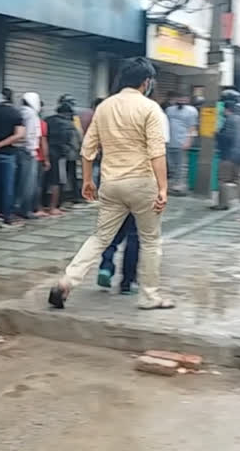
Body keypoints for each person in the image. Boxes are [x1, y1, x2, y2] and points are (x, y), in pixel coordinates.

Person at [49, 57, 173, 311]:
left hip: (111, 183)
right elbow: (157, 151)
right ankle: (149, 296)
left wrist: (87, 180)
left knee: (100, 238)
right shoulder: (150, 109)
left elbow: (88, 148)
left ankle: (66, 282)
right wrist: (162, 187)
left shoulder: (104, 107)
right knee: (149, 240)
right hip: (142, 183)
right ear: (146, 82)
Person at [0, 88, 25, 226]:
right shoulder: (15, 113)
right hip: (8, 153)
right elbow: (19, 134)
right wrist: (2, 144)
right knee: (8, 186)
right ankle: (7, 215)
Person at [212, 102, 240, 211]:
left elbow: (227, 138)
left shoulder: (229, 120)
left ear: (227, 110)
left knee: (222, 180)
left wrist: (217, 134)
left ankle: (223, 204)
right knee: (236, 179)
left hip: (229, 155)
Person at [44, 100, 79, 216]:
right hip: (59, 154)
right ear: (68, 113)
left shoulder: (47, 120)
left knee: (43, 180)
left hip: (45, 153)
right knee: (57, 181)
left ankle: (41, 204)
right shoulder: (68, 124)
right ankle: (54, 207)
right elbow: (73, 141)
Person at [165, 92, 198, 194]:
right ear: (176, 99)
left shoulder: (191, 111)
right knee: (171, 165)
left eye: (184, 99)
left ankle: (180, 185)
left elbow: (192, 127)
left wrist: (189, 141)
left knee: (181, 165)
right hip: (169, 141)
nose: (181, 101)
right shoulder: (169, 110)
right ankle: (173, 184)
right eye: (179, 99)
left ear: (187, 100)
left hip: (182, 142)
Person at [15, 92, 42, 219]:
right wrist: (33, 151)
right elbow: (31, 133)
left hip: (18, 149)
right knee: (28, 183)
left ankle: (18, 207)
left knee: (19, 181)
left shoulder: (19, 111)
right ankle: (26, 210)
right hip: (28, 151)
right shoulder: (32, 115)